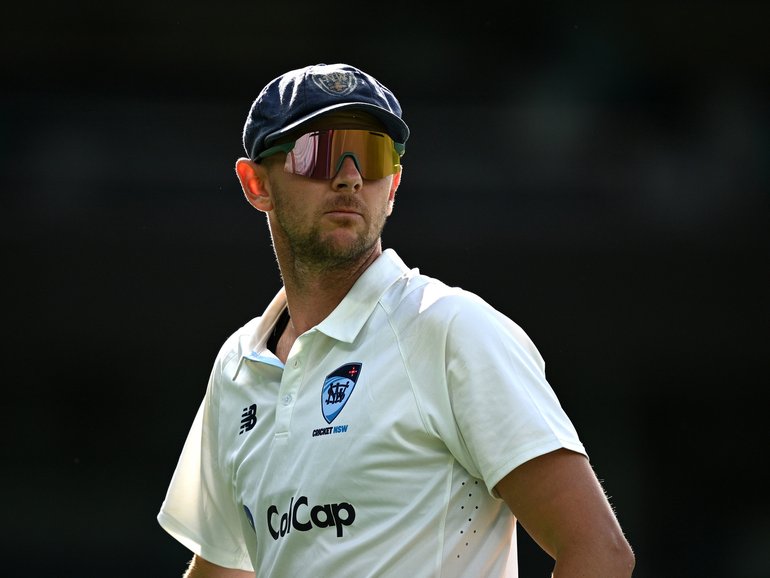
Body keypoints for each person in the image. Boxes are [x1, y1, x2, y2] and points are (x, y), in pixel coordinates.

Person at [157, 62, 635, 578]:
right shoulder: (237, 367)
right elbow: (222, 569)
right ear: (256, 184)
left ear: (393, 184)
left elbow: (597, 552)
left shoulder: (452, 328)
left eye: (372, 155)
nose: (349, 176)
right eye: (316, 152)